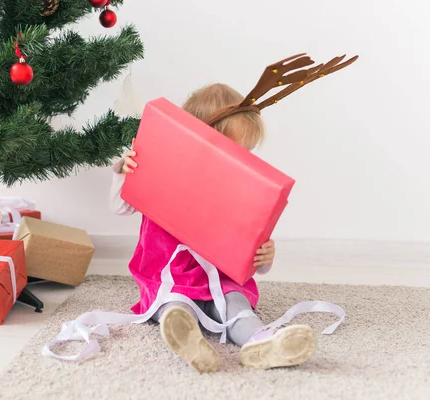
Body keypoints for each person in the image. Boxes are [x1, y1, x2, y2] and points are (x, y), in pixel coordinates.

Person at [109, 83, 317, 373]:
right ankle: (189, 342)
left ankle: (263, 343)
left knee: (237, 305)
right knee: (175, 307)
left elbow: (252, 249)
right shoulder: (163, 171)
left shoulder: (239, 191)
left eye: (248, 153)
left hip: (222, 280)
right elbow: (120, 207)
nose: (243, 160)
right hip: (172, 276)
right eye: (235, 151)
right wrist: (125, 172)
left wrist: (265, 257)